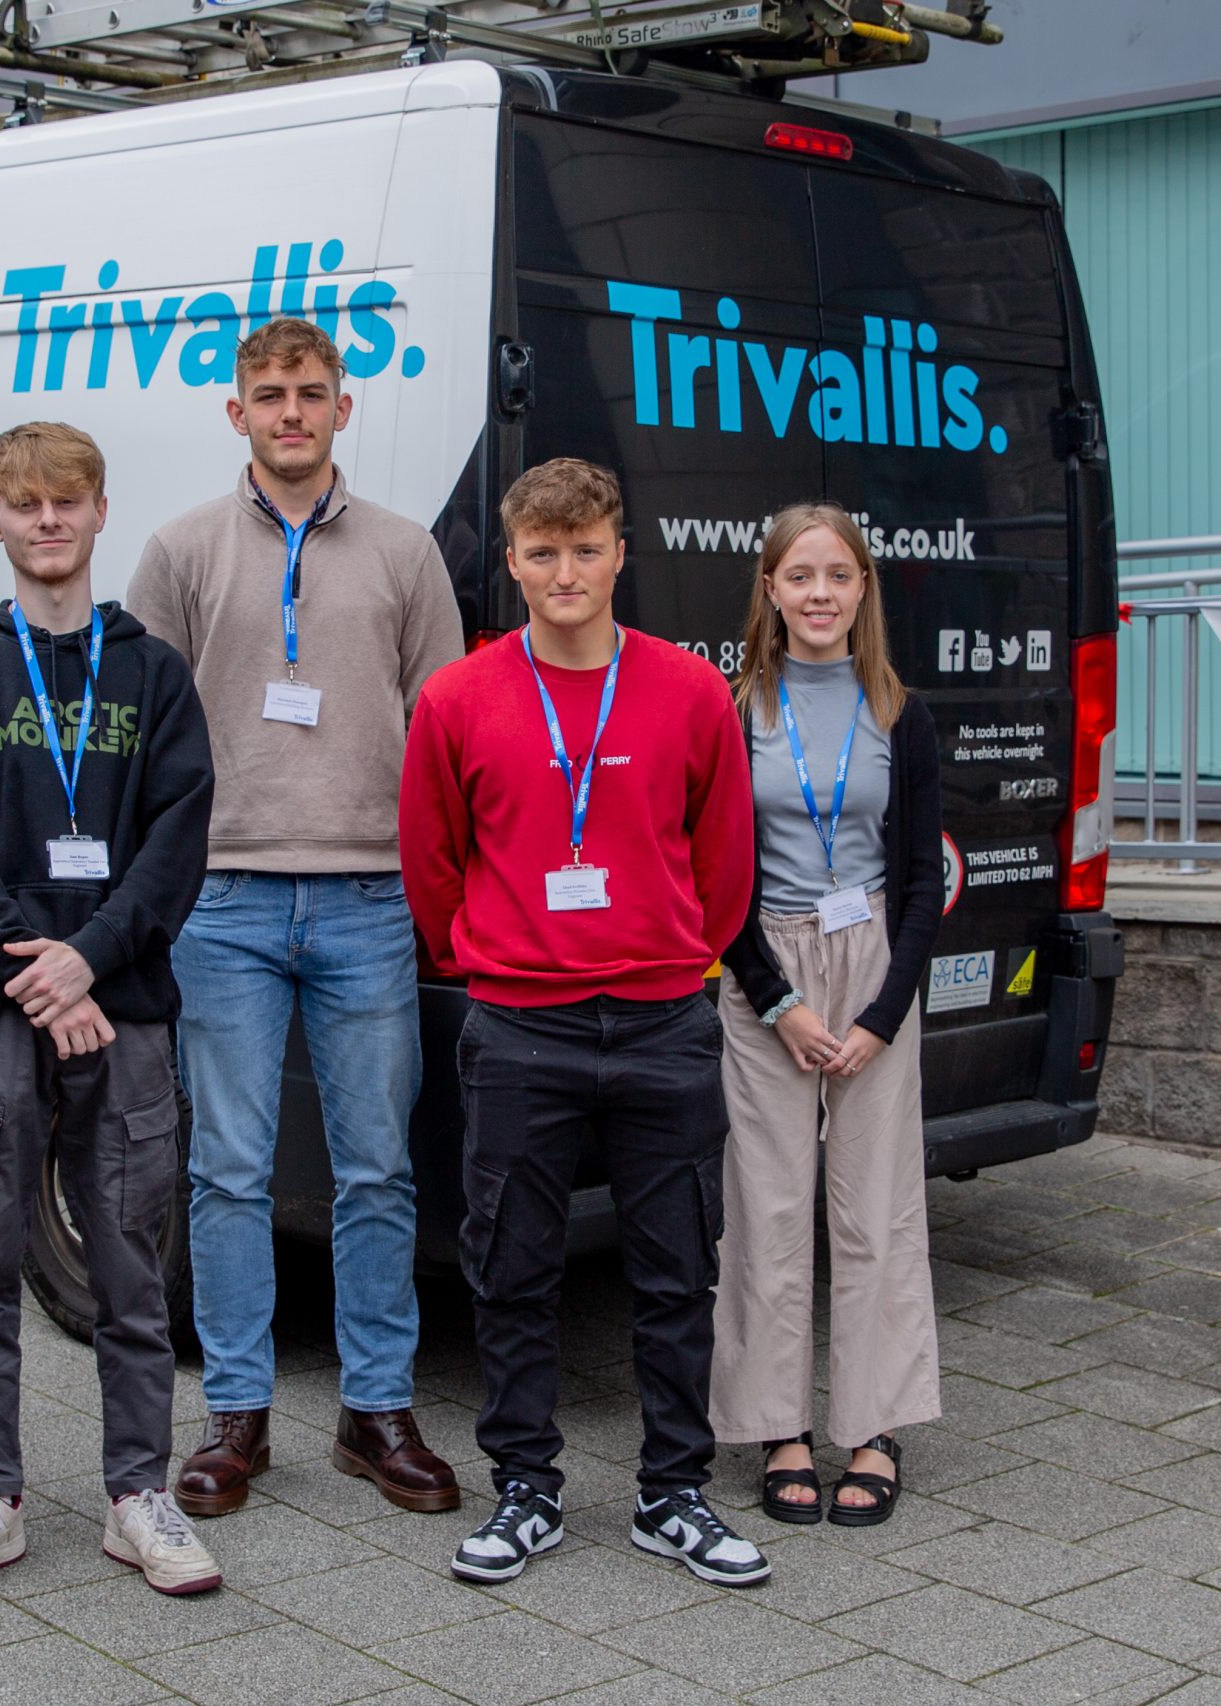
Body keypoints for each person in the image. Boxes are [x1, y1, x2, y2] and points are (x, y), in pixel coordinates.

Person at [399, 459, 766, 1588]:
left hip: (662, 1020)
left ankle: (674, 1492)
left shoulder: (690, 691)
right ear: (511, 563)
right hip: (519, 1026)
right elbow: (430, 859)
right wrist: (490, 956)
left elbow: (725, 860)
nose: (567, 571)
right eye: (543, 552)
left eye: (587, 548)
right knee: (510, 1267)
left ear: (619, 555)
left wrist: (668, 950)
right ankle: (524, 1485)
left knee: (673, 1270)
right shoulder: (457, 696)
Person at [125, 317, 464, 1519]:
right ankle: (235, 1416)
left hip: (371, 896)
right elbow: (142, 735)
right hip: (223, 896)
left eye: (310, 393)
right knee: (224, 1171)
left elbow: (447, 730)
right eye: (267, 394)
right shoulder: (178, 548)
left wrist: (438, 890)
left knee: (377, 1168)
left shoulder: (405, 552)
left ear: (341, 407)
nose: (289, 412)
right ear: (236, 412)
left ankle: (375, 1410)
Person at [0, 422, 221, 1597]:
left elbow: (176, 842)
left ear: (98, 513)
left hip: (120, 1005)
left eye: (66, 501)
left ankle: (139, 1493)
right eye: (22, 503)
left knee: (130, 1266)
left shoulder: (153, 673)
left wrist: (87, 961)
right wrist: (36, 971)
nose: (46, 520)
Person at [711, 501, 943, 1532]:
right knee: (766, 1207)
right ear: (768, 588)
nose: (817, 593)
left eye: (836, 575)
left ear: (861, 589)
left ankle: (876, 1423)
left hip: (873, 965)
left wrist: (882, 1015)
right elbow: (713, 879)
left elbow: (922, 886)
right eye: (798, 575)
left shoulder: (899, 710)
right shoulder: (732, 709)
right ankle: (779, 1426)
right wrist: (779, 1001)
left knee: (877, 1206)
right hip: (769, 970)